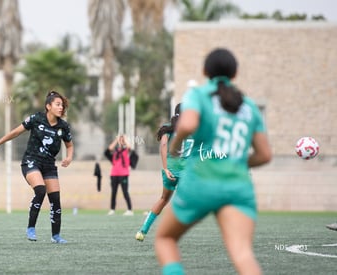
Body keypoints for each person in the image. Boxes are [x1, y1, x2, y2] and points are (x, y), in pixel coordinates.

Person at [155, 48, 272, 275]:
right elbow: (265, 155)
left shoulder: (198, 95)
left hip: (201, 181)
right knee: (242, 254)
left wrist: (176, 146)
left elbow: (187, 125)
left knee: (166, 239)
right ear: (235, 74)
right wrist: (234, 161)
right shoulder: (248, 106)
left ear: (204, 71)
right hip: (238, 187)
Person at [0, 91, 74, 244]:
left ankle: (56, 236)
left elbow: (69, 145)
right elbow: (15, 132)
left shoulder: (63, 126)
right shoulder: (36, 119)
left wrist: (69, 157)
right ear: (48, 106)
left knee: (55, 200)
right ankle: (31, 228)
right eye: (58, 104)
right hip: (31, 161)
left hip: (49, 165)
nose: (61, 108)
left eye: (62, 105)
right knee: (40, 191)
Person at [135, 103, 192, 241]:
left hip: (170, 170)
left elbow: (164, 145)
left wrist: (166, 169)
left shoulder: (168, 127)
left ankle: (142, 231)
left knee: (163, 200)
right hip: (186, 172)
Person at [106, 134, 133, 216]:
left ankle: (129, 210)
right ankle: (112, 209)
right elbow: (109, 148)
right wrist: (116, 140)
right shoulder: (115, 151)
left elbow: (129, 147)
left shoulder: (125, 150)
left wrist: (124, 140)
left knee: (125, 192)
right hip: (114, 174)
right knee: (113, 192)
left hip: (124, 174)